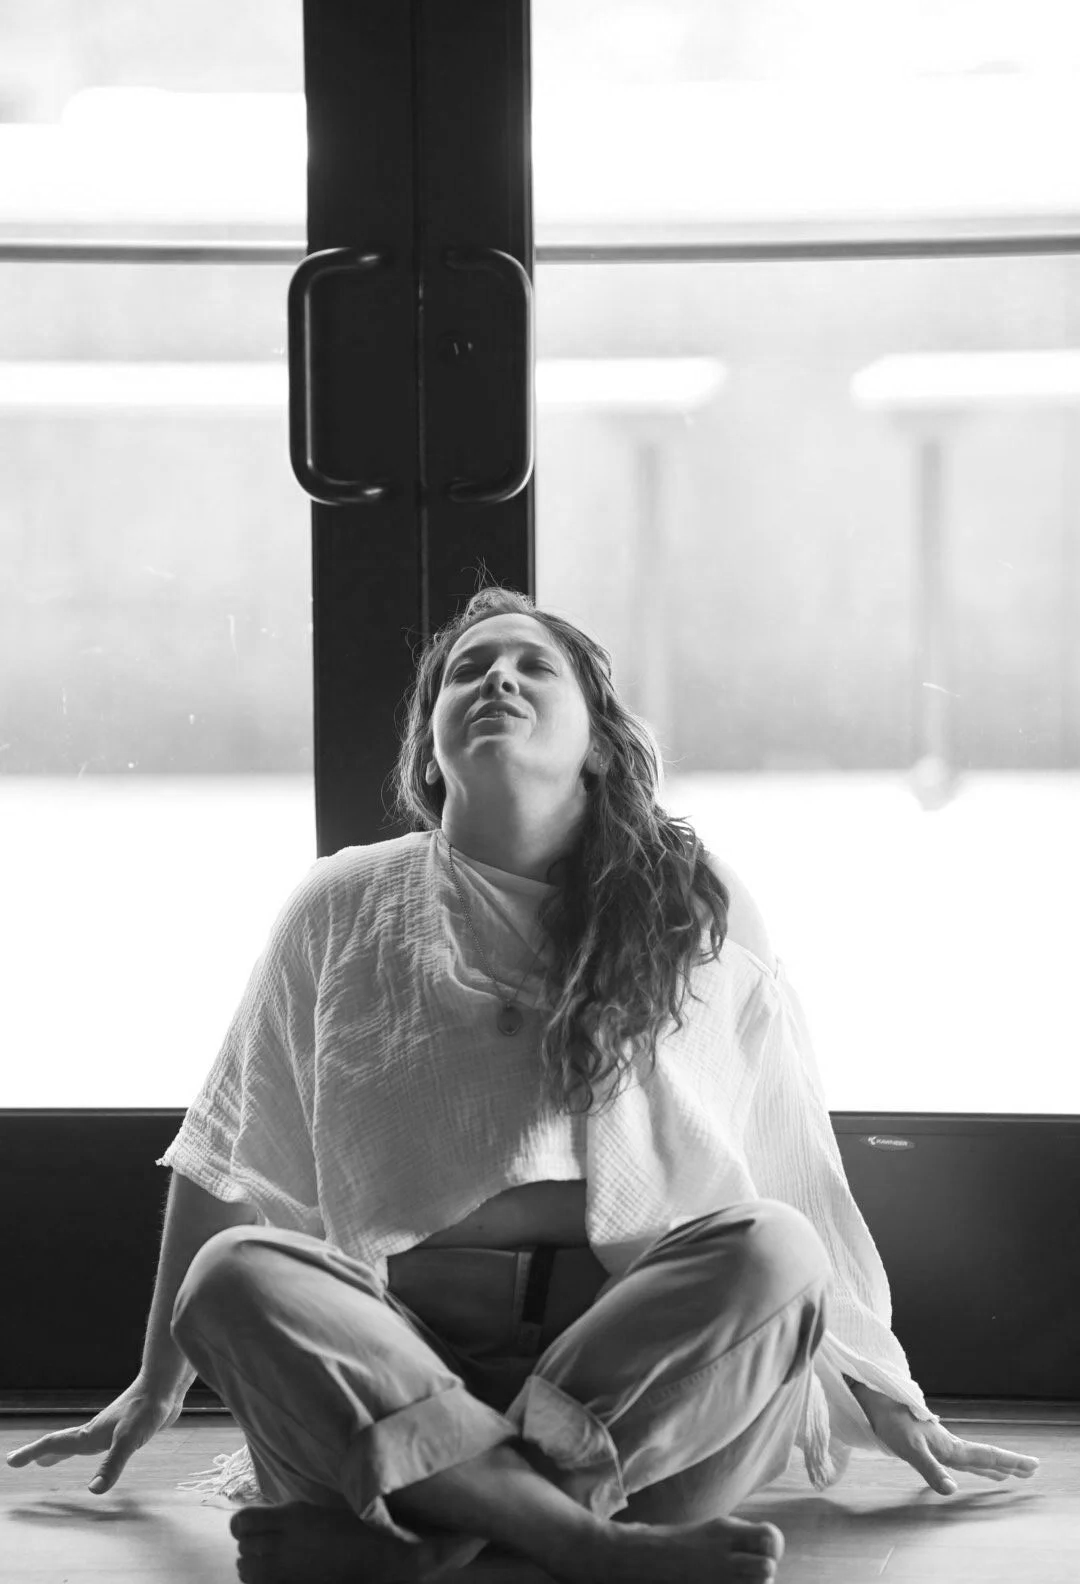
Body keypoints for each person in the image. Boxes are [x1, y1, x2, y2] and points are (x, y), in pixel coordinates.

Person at [6, 585, 1039, 1584]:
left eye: (531, 664)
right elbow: (228, 1143)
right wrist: (155, 1383)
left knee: (777, 1243)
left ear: (596, 739)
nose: (497, 676)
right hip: (398, 1372)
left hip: (644, 1397)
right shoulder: (340, 903)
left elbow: (786, 1152)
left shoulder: (698, 904)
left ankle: (441, 1531)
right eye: (467, 670)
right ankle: (577, 1538)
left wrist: (878, 1379)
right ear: (431, 745)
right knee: (232, 1272)